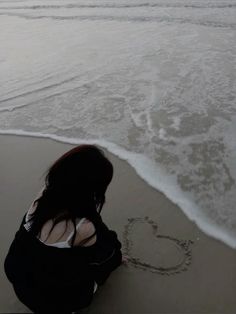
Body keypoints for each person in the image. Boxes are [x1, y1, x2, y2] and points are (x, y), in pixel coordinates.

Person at [4, 145, 122, 313]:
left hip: (20, 283)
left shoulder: (41, 198)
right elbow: (106, 255)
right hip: (54, 302)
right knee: (104, 258)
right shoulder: (83, 227)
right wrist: (116, 254)